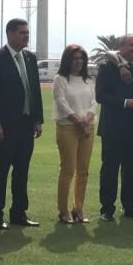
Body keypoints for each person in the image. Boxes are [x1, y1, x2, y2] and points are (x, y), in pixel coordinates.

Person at [0, 18, 44, 229]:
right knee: (0, 171)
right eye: (22, 33)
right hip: (4, 126)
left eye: (27, 32)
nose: (26, 36)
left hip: (26, 125)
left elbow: (34, 91)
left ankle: (19, 212)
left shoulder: (29, 58)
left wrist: (37, 120)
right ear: (10, 34)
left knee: (22, 171)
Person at [95, 34, 133, 221]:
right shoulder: (108, 68)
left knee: (131, 171)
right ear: (121, 47)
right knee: (110, 170)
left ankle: (131, 208)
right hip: (113, 128)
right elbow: (100, 96)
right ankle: (107, 209)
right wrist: (126, 102)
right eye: (131, 45)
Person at [53, 44, 97, 223]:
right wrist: (77, 120)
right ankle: (63, 211)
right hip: (68, 127)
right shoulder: (60, 79)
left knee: (83, 171)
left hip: (87, 127)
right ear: (68, 60)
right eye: (75, 58)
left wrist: (87, 118)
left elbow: (94, 102)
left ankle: (78, 209)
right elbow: (61, 102)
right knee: (68, 170)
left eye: (81, 58)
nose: (78, 62)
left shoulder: (88, 80)